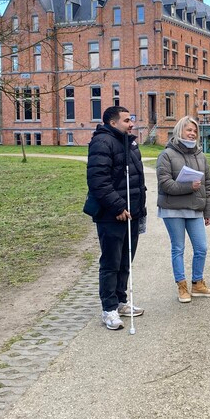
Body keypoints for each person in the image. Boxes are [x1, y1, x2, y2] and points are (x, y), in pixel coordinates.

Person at [86, 106, 147, 330]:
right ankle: (109, 308)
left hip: (132, 213)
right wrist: (118, 206)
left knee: (125, 261)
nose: (131, 124)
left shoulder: (129, 143)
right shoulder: (102, 143)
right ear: (113, 123)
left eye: (131, 120)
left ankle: (121, 300)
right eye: (126, 120)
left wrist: (140, 209)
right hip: (112, 215)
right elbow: (98, 181)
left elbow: (137, 179)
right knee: (111, 263)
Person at [156, 116, 210, 303]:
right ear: (179, 131)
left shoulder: (201, 156)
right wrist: (189, 186)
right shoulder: (166, 155)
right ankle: (182, 286)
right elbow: (165, 184)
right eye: (188, 129)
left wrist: (208, 211)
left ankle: (197, 284)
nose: (192, 133)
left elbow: (207, 186)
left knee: (201, 247)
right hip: (172, 210)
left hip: (195, 209)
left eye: (194, 130)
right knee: (178, 248)